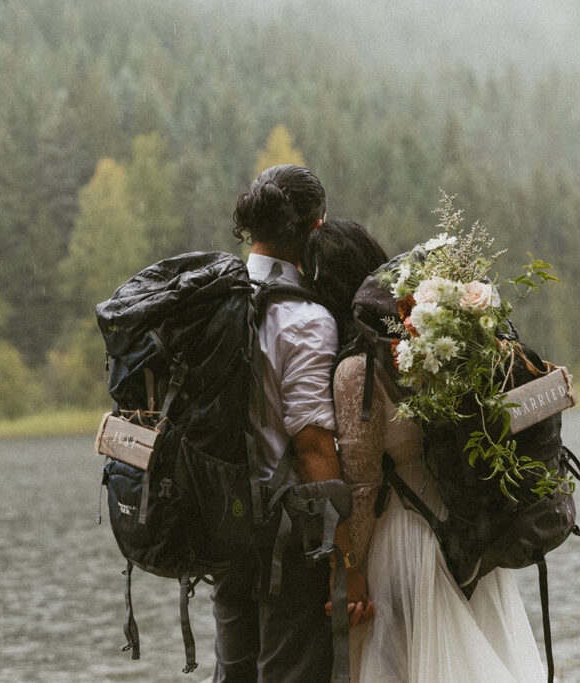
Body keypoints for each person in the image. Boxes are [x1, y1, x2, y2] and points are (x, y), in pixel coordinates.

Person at [301, 218, 546, 683]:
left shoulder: (359, 369)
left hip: (406, 536)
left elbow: (363, 482)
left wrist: (348, 568)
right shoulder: (424, 338)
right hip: (464, 522)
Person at [210, 166, 372, 683]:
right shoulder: (307, 319)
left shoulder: (217, 299)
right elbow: (312, 449)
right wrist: (346, 563)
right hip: (287, 537)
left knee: (232, 673)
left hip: (223, 521)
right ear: (316, 229)